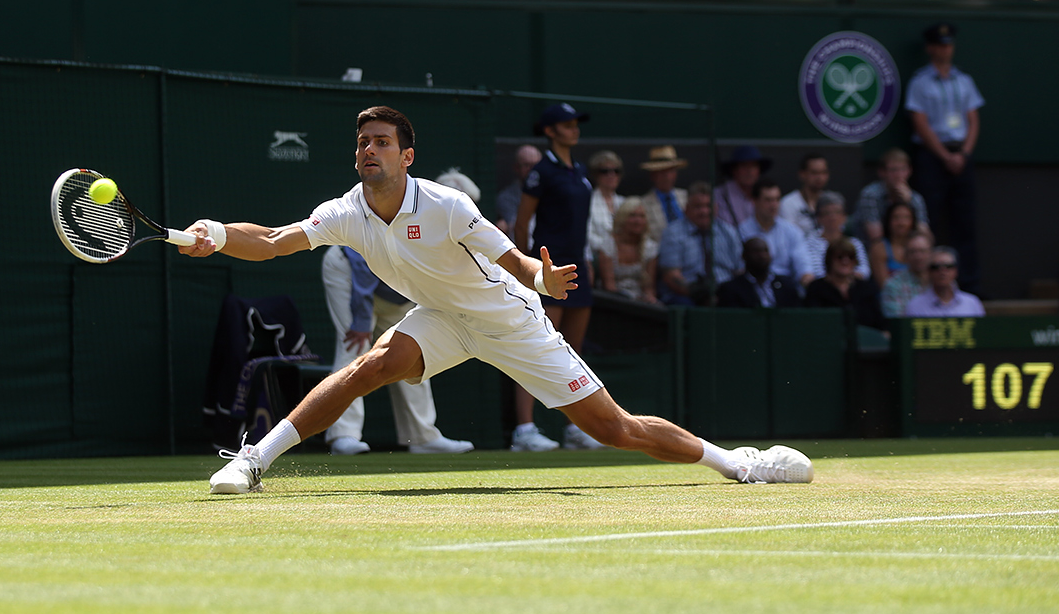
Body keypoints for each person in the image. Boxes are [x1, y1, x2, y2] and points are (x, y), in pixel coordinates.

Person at [191, 106, 814, 495]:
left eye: (381, 142)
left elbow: (510, 257)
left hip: (509, 318)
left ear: (406, 157)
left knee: (614, 429)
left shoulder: (447, 204)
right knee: (369, 367)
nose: (368, 150)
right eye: (363, 143)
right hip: (440, 318)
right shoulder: (346, 212)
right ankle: (254, 462)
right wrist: (217, 236)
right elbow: (272, 241)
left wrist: (539, 281)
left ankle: (738, 464)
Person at [319, 169, 483, 457]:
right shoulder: (412, 212)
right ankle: (343, 435)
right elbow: (362, 267)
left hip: (394, 294)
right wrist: (361, 321)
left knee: (412, 355)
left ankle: (421, 436)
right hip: (351, 275)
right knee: (355, 348)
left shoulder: (458, 228)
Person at [512, 103, 598, 452]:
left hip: (578, 266)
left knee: (572, 352)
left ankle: (576, 427)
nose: (573, 128)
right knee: (538, 347)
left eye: (575, 123)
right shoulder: (541, 172)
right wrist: (525, 270)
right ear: (549, 131)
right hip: (548, 269)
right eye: (565, 124)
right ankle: (524, 430)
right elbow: (521, 224)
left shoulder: (579, 171)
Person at [905, 20, 983, 294]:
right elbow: (920, 122)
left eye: (949, 45)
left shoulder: (965, 81)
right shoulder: (920, 82)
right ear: (930, 48)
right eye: (940, 45)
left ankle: (969, 286)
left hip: (961, 154)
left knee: (965, 222)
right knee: (931, 220)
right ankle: (929, 285)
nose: (945, 50)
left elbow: (973, 119)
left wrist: (963, 153)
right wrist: (943, 155)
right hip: (932, 157)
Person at [658, 181, 741, 306]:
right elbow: (671, 276)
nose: (704, 211)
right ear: (686, 209)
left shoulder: (729, 232)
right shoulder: (673, 233)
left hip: (724, 292)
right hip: (688, 294)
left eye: (708, 206)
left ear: (716, 208)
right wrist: (698, 293)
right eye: (698, 206)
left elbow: (739, 271)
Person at [736, 178, 814, 291]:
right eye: (768, 200)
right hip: (751, 287)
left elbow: (803, 264)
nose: (774, 205)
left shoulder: (792, 231)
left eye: (777, 199)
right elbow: (738, 267)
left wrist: (807, 278)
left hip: (785, 288)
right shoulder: (741, 231)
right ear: (754, 201)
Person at [851, 147, 929, 245]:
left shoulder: (915, 198)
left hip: (907, 252)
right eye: (894, 170)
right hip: (872, 251)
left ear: (909, 171)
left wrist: (909, 205)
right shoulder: (870, 195)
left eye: (903, 169)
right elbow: (876, 238)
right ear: (882, 172)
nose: (898, 175)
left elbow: (926, 237)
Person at [804, 238, 885, 329]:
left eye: (850, 257)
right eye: (840, 257)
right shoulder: (816, 288)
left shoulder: (867, 289)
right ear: (830, 260)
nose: (845, 261)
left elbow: (880, 323)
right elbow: (812, 323)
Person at [600, 198, 659, 304]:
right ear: (622, 218)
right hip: (614, 301)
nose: (638, 221)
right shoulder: (608, 246)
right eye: (632, 216)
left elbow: (649, 288)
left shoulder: (650, 247)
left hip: (641, 302)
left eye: (642, 216)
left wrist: (650, 299)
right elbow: (609, 285)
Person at [716, 237, 802, 309]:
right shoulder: (731, 289)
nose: (762, 256)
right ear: (744, 256)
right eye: (756, 251)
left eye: (765, 251)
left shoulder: (787, 285)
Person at [804, 191, 869, 282]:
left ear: (845, 217)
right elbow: (811, 273)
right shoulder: (808, 243)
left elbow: (864, 271)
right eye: (827, 213)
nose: (833, 217)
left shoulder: (855, 243)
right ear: (818, 218)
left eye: (837, 212)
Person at [904, 245, 984, 317]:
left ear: (956, 271)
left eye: (948, 266)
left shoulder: (972, 303)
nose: (942, 271)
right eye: (936, 267)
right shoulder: (915, 305)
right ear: (928, 272)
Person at [638, 145, 687, 244]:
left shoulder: (686, 196)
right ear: (652, 175)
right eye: (662, 172)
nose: (667, 176)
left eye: (670, 171)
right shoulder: (642, 204)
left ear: (675, 174)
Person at [713, 144, 768, 230]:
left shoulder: (766, 194)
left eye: (753, 166)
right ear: (734, 170)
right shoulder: (719, 195)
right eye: (744, 165)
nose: (749, 171)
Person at [880, 230, 931, 318]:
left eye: (922, 251)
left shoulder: (941, 281)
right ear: (906, 255)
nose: (918, 256)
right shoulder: (893, 285)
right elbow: (897, 322)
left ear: (931, 253)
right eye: (913, 252)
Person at [584, 149, 624, 261]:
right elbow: (587, 235)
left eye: (616, 171)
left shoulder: (623, 202)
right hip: (597, 257)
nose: (611, 175)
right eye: (605, 171)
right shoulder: (588, 201)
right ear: (596, 175)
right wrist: (610, 249)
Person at [495, 143, 540, 239]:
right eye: (527, 165)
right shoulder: (506, 197)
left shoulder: (555, 191)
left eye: (535, 165)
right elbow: (517, 228)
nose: (532, 170)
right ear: (516, 168)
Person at [868, 200, 918, 286]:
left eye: (906, 218)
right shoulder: (879, 248)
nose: (901, 223)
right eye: (896, 217)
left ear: (913, 222)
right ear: (888, 221)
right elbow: (884, 285)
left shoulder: (918, 247)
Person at [779, 152, 828, 237]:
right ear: (802, 174)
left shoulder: (830, 201)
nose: (819, 177)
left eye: (823, 172)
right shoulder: (788, 203)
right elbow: (788, 236)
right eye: (814, 173)